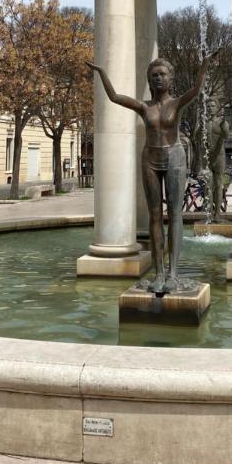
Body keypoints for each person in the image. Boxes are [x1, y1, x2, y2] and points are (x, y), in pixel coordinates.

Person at [88, 54, 213, 294]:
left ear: (171, 78)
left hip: (175, 158)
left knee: (175, 215)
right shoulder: (144, 106)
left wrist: (205, 63)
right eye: (154, 75)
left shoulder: (176, 103)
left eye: (162, 74)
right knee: (155, 216)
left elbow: (196, 90)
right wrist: (101, 72)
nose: (158, 78)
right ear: (149, 79)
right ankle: (159, 273)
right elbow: (115, 97)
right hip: (150, 160)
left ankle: (174, 274)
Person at [205, 98, 230, 219]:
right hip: (208, 157)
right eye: (208, 106)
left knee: (219, 184)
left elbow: (226, 135)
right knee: (208, 185)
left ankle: (217, 214)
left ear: (217, 107)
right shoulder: (204, 122)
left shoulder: (222, 121)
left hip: (219, 156)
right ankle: (209, 213)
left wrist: (223, 126)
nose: (210, 108)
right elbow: (196, 136)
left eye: (212, 106)